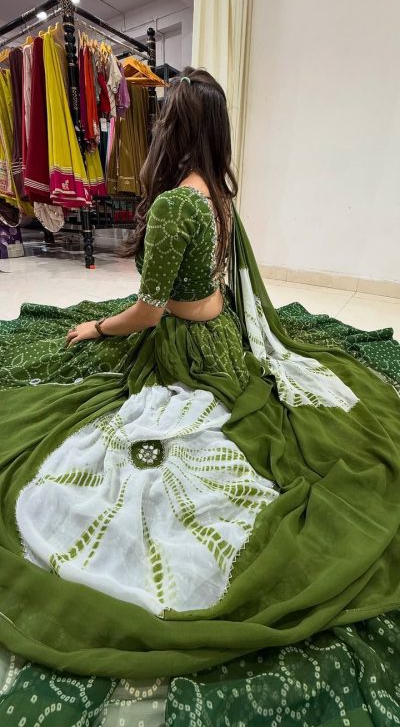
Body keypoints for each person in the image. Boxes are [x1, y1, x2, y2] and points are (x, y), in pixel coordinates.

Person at [0, 68, 399, 705]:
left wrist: (98, 328)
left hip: (186, 353)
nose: (156, 125)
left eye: (164, 116)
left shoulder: (174, 204)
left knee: (79, 412)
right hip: (223, 341)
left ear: (176, 127)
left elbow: (148, 314)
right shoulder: (216, 194)